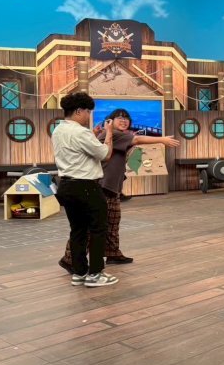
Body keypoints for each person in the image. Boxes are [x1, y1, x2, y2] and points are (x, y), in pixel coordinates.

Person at [58, 108, 180, 271]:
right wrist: (162, 139)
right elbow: (137, 139)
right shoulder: (114, 134)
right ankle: (69, 259)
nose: (124, 120)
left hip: (111, 186)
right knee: (91, 225)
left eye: (126, 118)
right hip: (102, 186)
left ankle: (112, 253)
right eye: (119, 118)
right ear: (110, 121)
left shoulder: (115, 135)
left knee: (112, 221)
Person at [52, 92, 117, 287]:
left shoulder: (58, 130)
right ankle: (95, 274)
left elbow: (79, 150)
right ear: (79, 111)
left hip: (66, 186)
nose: (89, 116)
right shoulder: (81, 132)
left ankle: (79, 273)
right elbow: (105, 154)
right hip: (86, 186)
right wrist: (109, 133)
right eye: (88, 111)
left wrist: (93, 136)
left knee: (78, 230)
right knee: (98, 229)